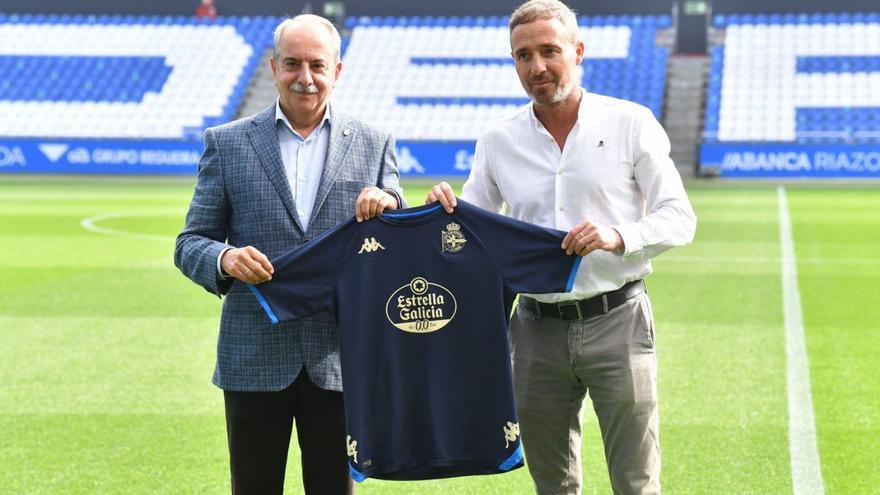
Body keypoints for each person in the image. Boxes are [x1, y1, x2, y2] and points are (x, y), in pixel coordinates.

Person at [427, 1, 697, 493]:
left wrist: (619, 237)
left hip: (619, 321)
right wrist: (439, 211)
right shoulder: (497, 140)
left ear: (578, 51)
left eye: (549, 51)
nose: (537, 67)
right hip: (533, 330)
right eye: (523, 55)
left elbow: (679, 217)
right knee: (552, 483)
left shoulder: (630, 123)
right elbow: (468, 234)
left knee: (636, 482)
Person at [174, 14, 403, 495]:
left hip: (339, 358)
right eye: (293, 63)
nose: (305, 77)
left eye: (317, 65)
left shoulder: (373, 142)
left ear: (337, 71)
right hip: (253, 356)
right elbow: (190, 241)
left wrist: (391, 204)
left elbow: (397, 231)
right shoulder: (228, 143)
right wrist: (224, 260)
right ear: (273, 66)